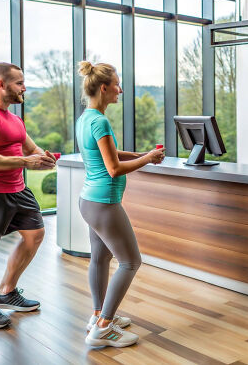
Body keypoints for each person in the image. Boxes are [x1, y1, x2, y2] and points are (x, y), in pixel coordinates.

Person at [76, 61, 165, 348]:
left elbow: (108, 152)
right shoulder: (100, 121)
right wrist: (147, 160)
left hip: (89, 200)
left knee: (100, 258)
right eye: (117, 84)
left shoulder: (86, 118)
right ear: (104, 88)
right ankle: (103, 329)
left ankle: (98, 315)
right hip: (104, 203)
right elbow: (113, 168)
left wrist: (141, 153)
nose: (121, 90)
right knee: (130, 261)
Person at [0, 62, 57, 328]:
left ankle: (5, 291)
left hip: (17, 189)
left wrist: (43, 157)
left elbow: (29, 147)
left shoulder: (14, 119)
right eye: (19, 83)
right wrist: (27, 163)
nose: (24, 88)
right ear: (1, 84)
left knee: (35, 235)